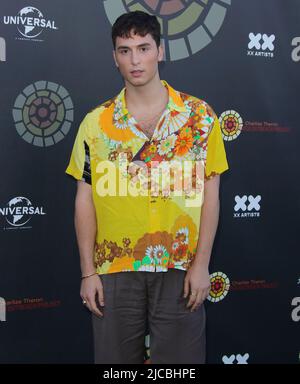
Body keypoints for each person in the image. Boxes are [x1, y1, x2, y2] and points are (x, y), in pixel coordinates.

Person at [65, 10, 229, 364]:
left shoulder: (200, 118)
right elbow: (85, 200)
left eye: (143, 48)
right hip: (114, 269)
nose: (135, 60)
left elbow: (211, 196)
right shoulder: (96, 124)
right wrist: (88, 272)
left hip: (180, 267)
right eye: (125, 50)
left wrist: (202, 265)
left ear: (160, 51)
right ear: (114, 58)